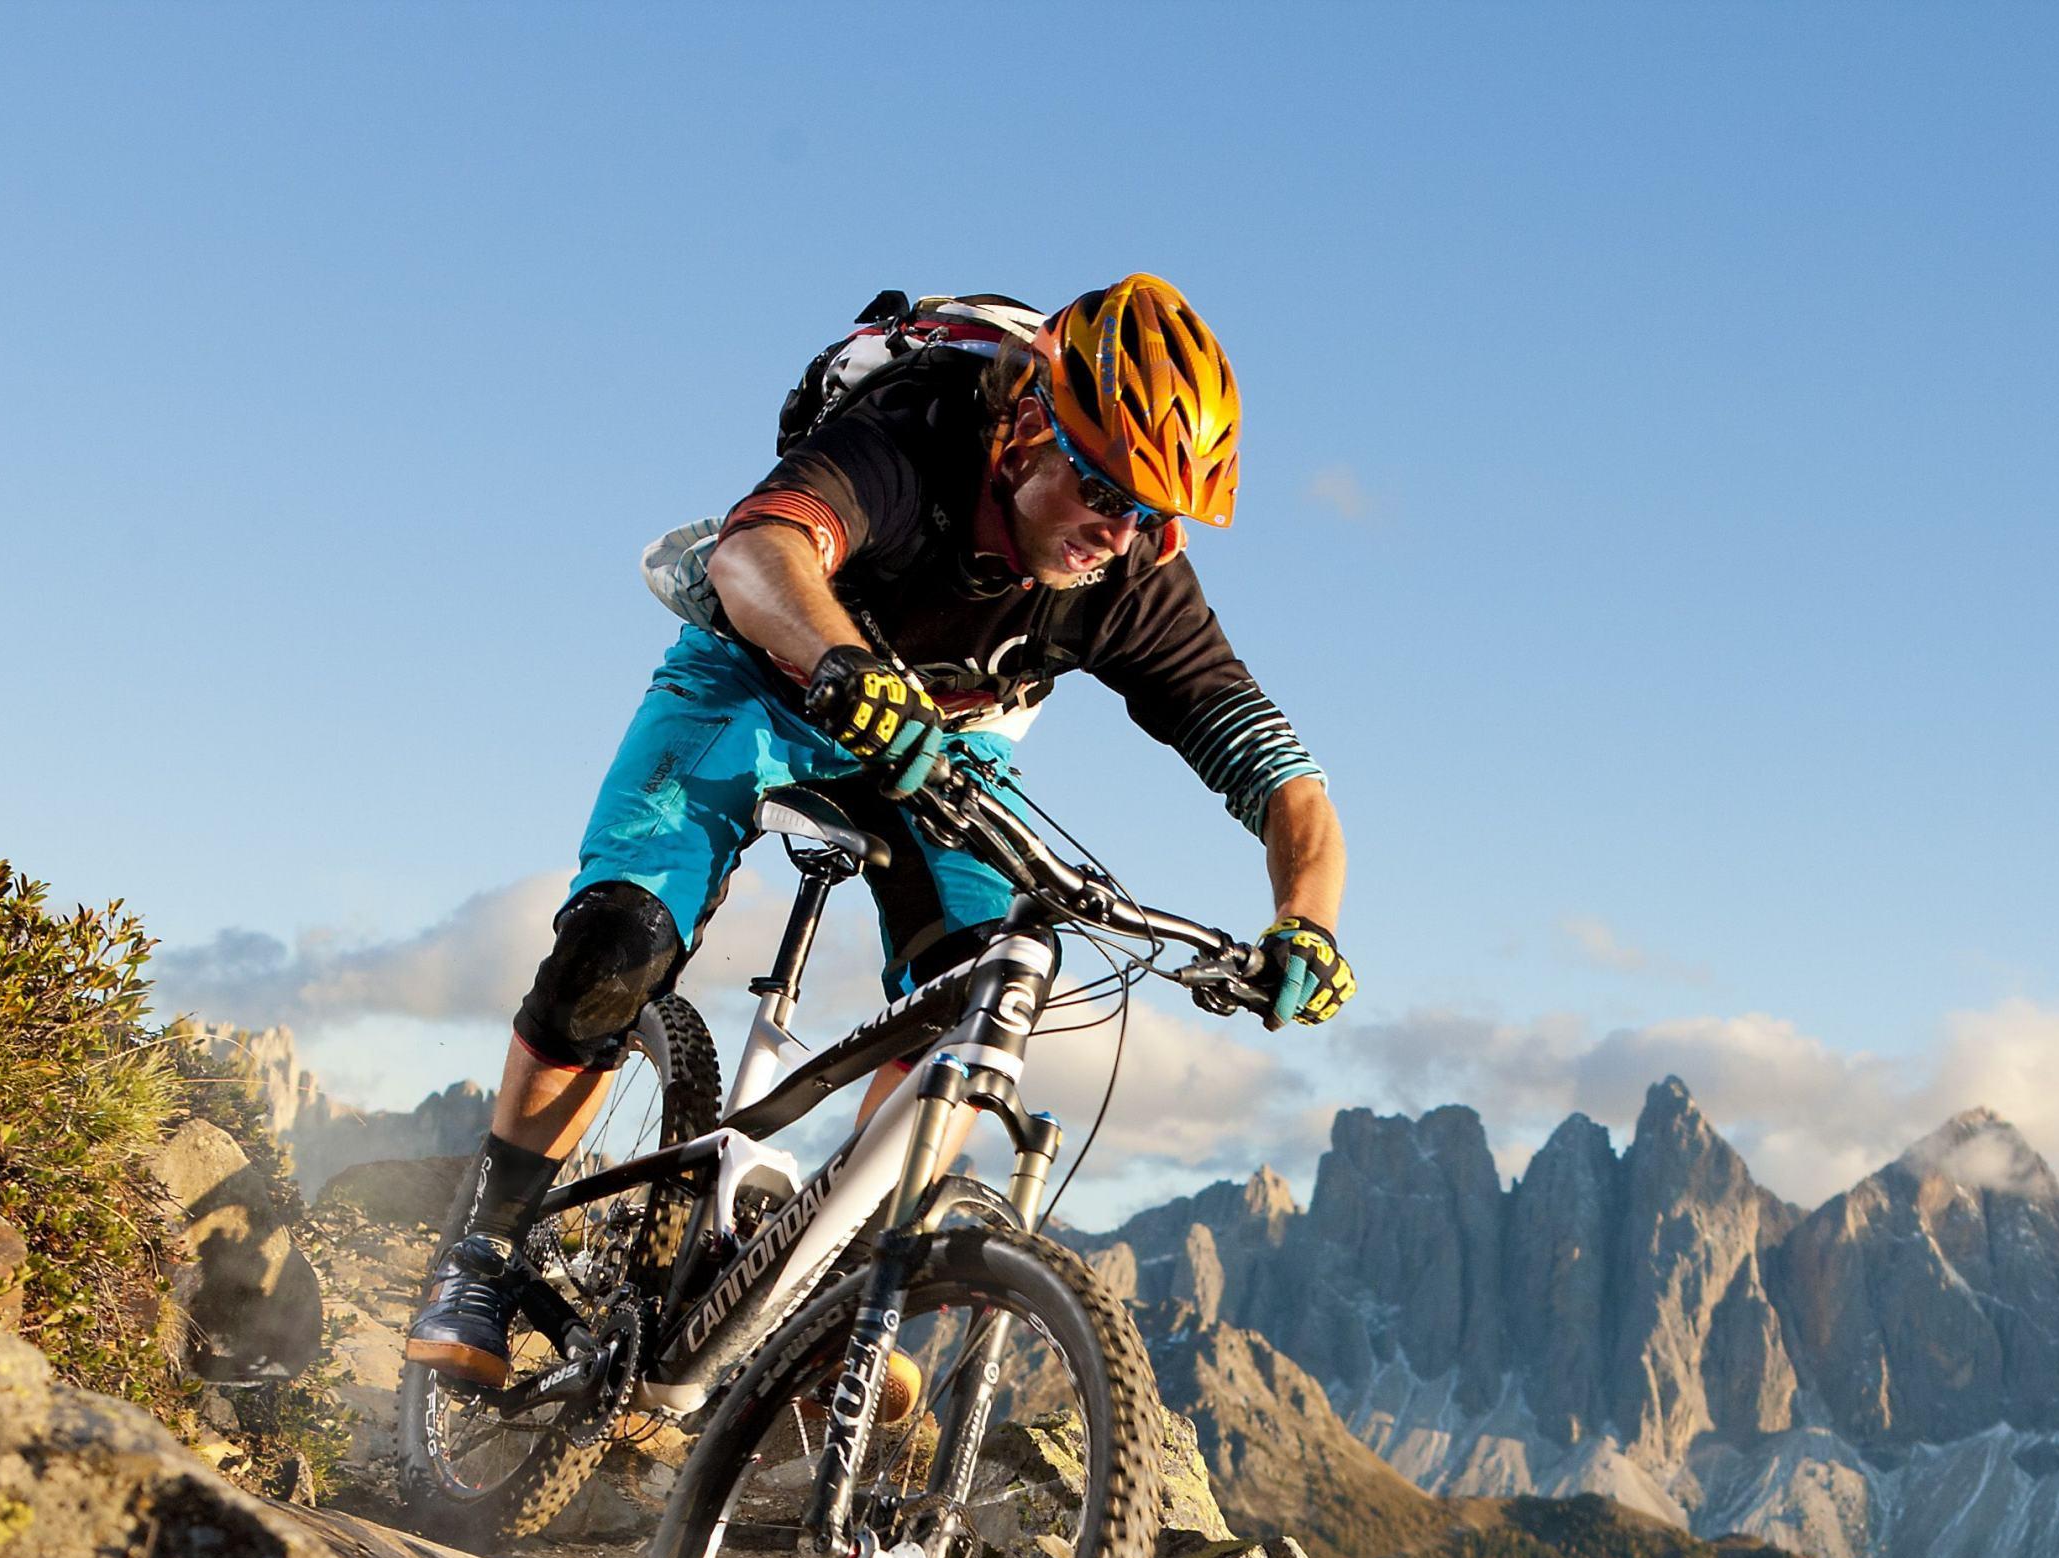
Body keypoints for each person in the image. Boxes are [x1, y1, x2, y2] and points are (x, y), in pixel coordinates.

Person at [406, 274, 1352, 1383]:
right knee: (617, 943)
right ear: (1029, 426)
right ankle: (484, 1247)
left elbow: (1282, 776)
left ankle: (823, 1295)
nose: (1124, 532)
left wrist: (1307, 921)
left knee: (983, 985)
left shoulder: (1134, 575)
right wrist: (841, 665)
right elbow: (754, 554)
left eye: (1157, 514)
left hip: (946, 739)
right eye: (1105, 491)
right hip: (761, 670)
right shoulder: (917, 432)